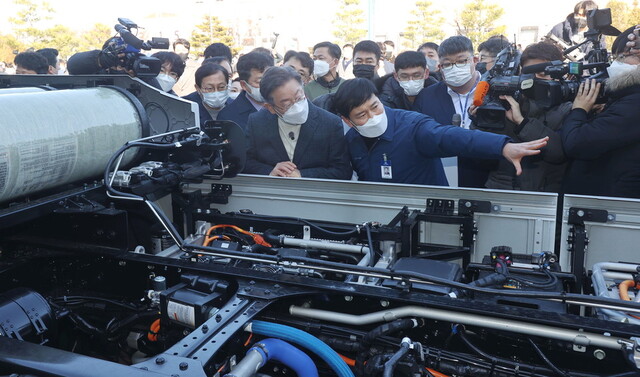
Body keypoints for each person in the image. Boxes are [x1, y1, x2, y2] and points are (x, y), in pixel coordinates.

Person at [333, 78, 547, 185]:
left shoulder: (411, 126)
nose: (373, 117)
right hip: (380, 216)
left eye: (375, 106)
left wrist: (503, 147)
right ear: (348, 121)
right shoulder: (352, 140)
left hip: (423, 216)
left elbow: (453, 137)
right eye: (361, 115)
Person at [476, 42, 572, 192]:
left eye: (543, 74)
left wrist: (522, 122)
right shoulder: (506, 99)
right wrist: (480, 119)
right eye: (529, 74)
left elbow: (558, 152)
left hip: (546, 195)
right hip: (501, 190)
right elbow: (482, 152)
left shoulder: (567, 106)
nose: (535, 80)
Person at [560, 26, 640, 198]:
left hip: (613, 208)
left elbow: (577, 143)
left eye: (626, 56)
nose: (618, 63)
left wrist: (579, 109)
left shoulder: (634, 102)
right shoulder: (625, 96)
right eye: (617, 57)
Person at [244, 66, 352, 179]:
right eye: (287, 104)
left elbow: (342, 171)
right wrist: (270, 172)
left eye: (299, 97)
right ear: (270, 107)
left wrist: (303, 175)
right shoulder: (257, 122)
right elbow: (246, 162)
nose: (297, 107)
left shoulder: (330, 123)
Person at [412, 36, 488, 188]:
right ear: (440, 67)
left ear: (474, 60)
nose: (455, 68)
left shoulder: (493, 90)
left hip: (488, 178)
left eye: (461, 61)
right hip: (442, 181)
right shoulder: (426, 97)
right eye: (447, 64)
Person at [218, 52, 274, 131]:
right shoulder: (228, 117)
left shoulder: (284, 104)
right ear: (244, 85)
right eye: (259, 82)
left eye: (270, 79)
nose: (267, 85)